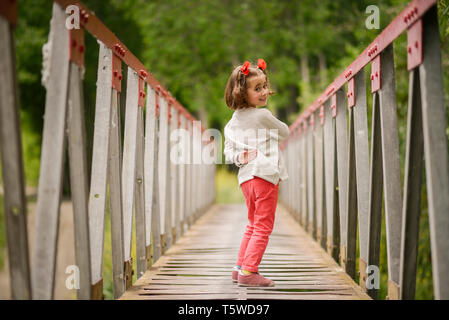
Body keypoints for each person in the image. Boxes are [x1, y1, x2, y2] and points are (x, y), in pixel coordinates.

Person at [223, 59, 289, 287]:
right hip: (265, 176)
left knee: (252, 223)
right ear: (243, 92)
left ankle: (239, 267)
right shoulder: (262, 116)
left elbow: (228, 151)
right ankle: (250, 272)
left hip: (246, 179)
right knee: (263, 225)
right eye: (257, 88)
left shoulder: (232, 122)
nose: (263, 92)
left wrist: (240, 158)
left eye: (264, 86)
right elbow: (285, 132)